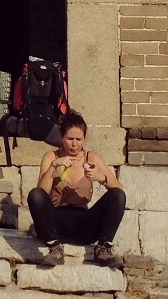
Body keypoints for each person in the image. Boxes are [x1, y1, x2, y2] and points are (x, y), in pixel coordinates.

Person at [28, 110, 126, 268]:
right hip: (56, 222)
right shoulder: (51, 157)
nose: (74, 144)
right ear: (62, 137)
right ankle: (54, 247)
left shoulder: (91, 157)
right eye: (70, 139)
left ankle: (103, 248)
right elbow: (40, 193)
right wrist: (53, 168)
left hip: (83, 224)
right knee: (34, 194)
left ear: (84, 139)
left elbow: (119, 190)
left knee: (117, 195)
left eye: (79, 139)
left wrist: (101, 177)